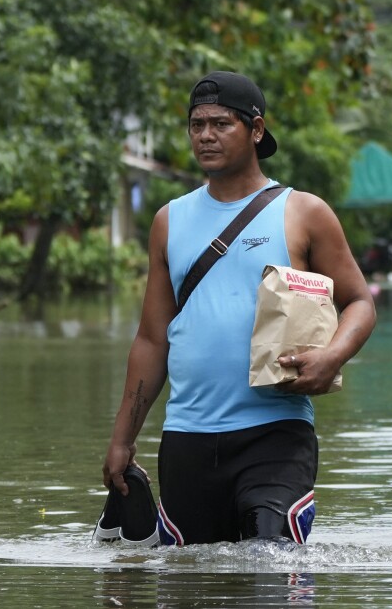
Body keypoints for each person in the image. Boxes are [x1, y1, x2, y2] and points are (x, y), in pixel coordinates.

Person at [100, 70, 376, 546]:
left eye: (221, 123)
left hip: (275, 432)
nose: (205, 135)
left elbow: (359, 303)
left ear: (256, 130)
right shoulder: (170, 220)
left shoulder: (303, 212)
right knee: (191, 586)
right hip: (187, 436)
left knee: (269, 565)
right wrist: (123, 439)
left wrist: (333, 356)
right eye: (196, 124)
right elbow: (151, 339)